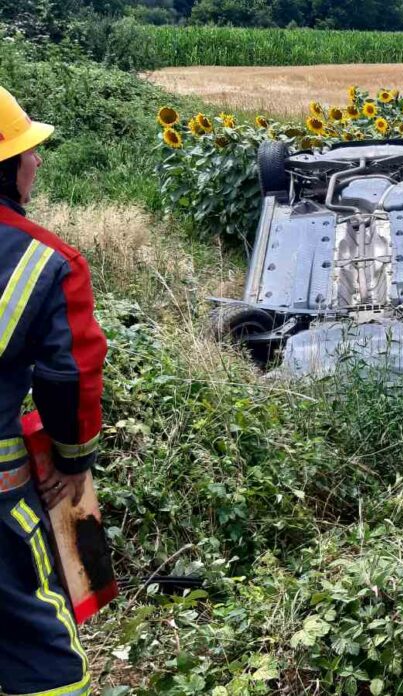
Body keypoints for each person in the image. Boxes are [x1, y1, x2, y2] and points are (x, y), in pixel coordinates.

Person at [0, 88, 107, 695]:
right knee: (46, 661)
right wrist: (72, 461)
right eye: (26, 151)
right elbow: (69, 375)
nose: (36, 161)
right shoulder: (44, 263)